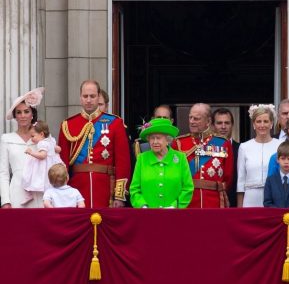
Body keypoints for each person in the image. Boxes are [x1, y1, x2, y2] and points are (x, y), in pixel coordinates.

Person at [58, 79, 131, 208]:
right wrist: (63, 193)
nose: (89, 100)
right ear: (80, 98)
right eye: (85, 96)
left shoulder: (115, 123)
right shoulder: (68, 125)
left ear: (98, 97)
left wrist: (119, 195)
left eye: (92, 96)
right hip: (76, 189)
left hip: (106, 188)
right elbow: (63, 163)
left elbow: (123, 162)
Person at [171, 103, 233, 208]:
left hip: (213, 202)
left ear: (208, 121)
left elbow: (228, 177)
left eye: (196, 119)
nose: (191, 121)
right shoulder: (179, 143)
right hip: (186, 202)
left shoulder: (222, 143)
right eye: (190, 118)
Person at [130, 118, 193, 208]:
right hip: (147, 216)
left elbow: (188, 188)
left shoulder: (181, 158)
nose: (155, 142)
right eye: (152, 138)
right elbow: (134, 189)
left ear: (168, 140)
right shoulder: (142, 159)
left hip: (174, 215)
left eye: (158, 138)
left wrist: (174, 206)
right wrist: (143, 206)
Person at [0, 87, 45, 208]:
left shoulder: (41, 137)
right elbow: (3, 173)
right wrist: (5, 201)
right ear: (15, 116)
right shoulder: (6, 139)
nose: (23, 115)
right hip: (17, 193)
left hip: (40, 193)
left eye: (26, 111)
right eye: (19, 112)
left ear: (32, 114)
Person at [236, 104, 280, 207]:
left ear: (271, 124)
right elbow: (241, 180)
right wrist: (240, 207)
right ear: (254, 124)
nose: (262, 125)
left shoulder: (280, 145)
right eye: (258, 121)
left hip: (274, 196)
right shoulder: (244, 147)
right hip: (250, 197)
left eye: (266, 121)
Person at [21, 120, 63, 205]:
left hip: (44, 166)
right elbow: (58, 149)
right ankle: (51, 198)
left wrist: (31, 152)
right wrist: (54, 149)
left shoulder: (42, 143)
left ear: (41, 134)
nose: (31, 139)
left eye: (33, 136)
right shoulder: (51, 140)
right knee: (51, 183)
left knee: (29, 175)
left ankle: (29, 193)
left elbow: (42, 156)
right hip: (53, 165)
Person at [212, 107, 240, 207]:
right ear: (212, 126)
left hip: (235, 204)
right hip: (213, 203)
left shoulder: (241, 149)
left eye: (227, 123)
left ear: (232, 125)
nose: (223, 127)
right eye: (219, 123)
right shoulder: (206, 150)